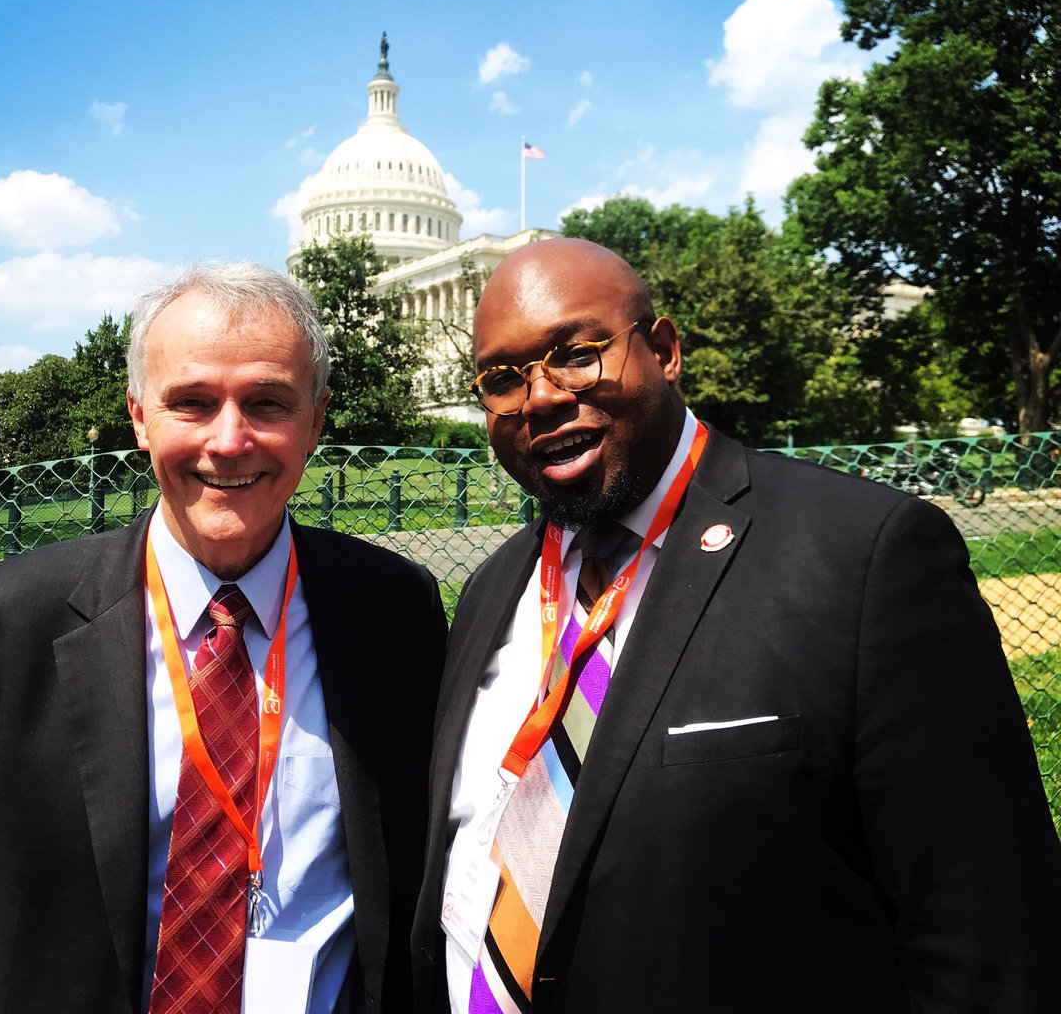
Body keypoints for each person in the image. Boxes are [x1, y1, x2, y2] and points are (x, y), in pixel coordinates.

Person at [411, 238, 1061, 1014]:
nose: (542, 397)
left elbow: (988, 937)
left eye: (578, 354)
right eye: (502, 378)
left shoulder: (864, 558)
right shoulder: (491, 590)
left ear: (664, 349)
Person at [0, 262, 446, 1014]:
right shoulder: (5, 622)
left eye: (267, 402)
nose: (229, 441)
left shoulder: (394, 612)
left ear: (317, 419)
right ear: (140, 416)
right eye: (192, 403)